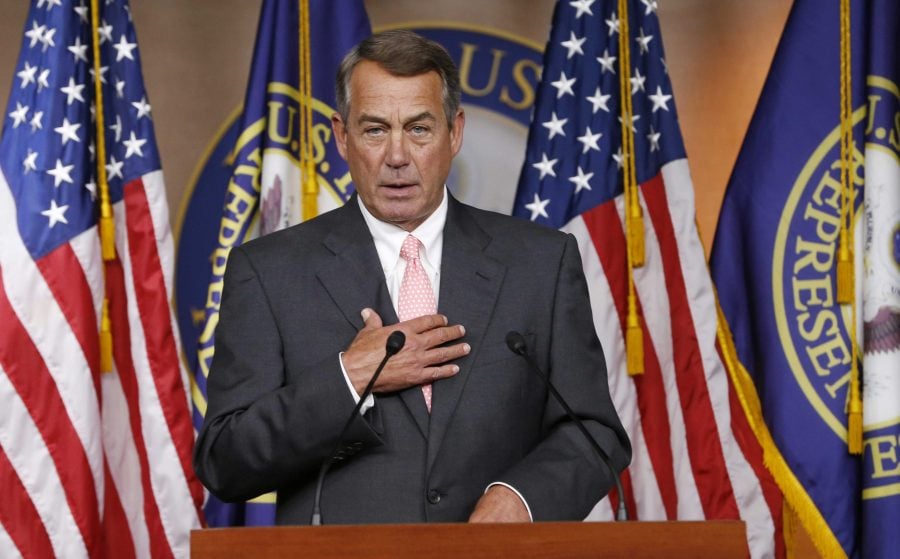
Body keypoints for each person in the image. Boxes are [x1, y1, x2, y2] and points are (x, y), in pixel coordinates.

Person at [194, 29, 631, 524]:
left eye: (419, 129)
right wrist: (348, 379)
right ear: (342, 136)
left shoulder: (540, 263)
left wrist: (522, 498)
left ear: (454, 132)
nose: (397, 156)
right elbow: (224, 460)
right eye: (375, 130)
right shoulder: (269, 271)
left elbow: (594, 432)